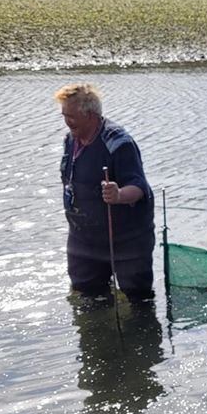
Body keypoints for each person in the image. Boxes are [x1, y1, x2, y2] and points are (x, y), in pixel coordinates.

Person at [57, 83, 155, 302]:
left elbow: (139, 187)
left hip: (126, 237)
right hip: (83, 236)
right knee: (86, 294)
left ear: (90, 115)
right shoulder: (70, 139)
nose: (66, 121)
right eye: (64, 115)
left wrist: (119, 195)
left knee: (137, 296)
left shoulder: (118, 143)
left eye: (71, 116)